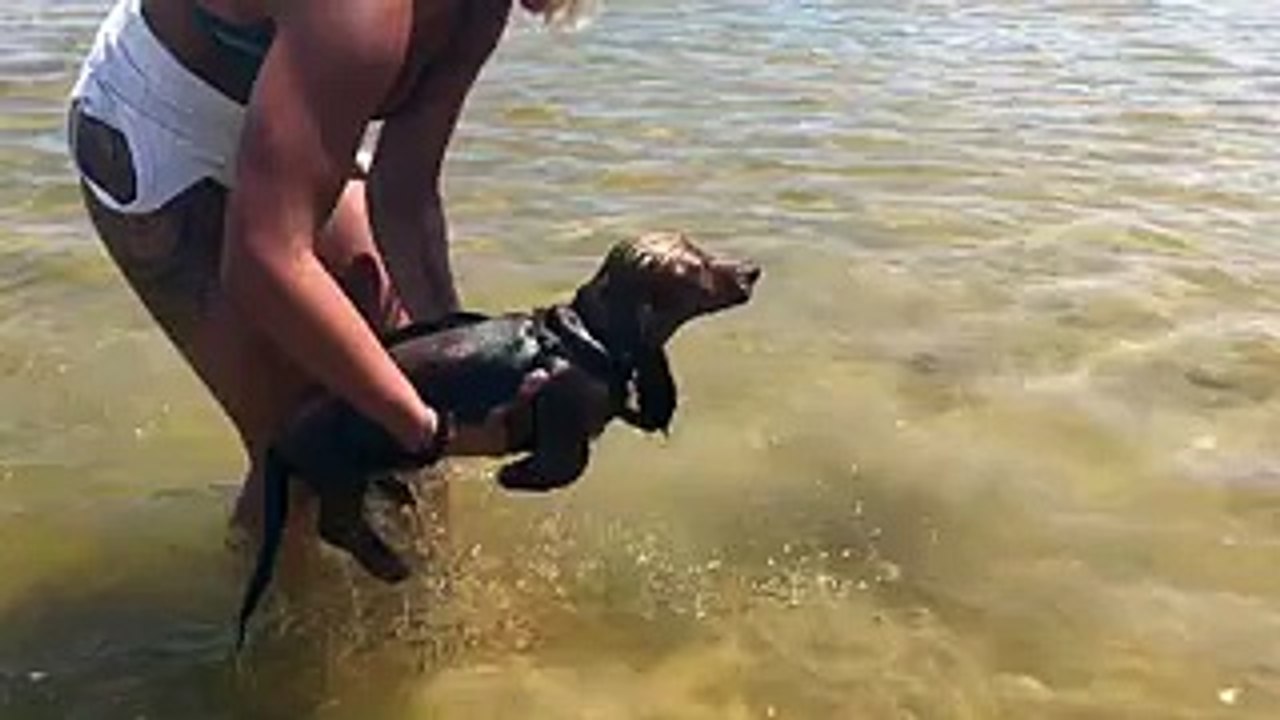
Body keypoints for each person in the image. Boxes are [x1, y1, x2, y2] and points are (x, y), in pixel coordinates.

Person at [65, 0, 588, 545]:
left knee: (410, 394)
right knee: (298, 453)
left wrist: (474, 367)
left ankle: (433, 612)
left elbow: (404, 195)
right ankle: (258, 623)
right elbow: (262, 261)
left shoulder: (479, 11)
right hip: (163, 128)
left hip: (291, 117)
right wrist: (429, 431)